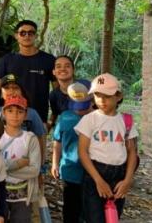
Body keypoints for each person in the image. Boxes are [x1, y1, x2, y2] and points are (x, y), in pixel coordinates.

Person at [75, 73, 138, 222]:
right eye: (97, 95)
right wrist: (98, 180)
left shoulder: (126, 121)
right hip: (95, 175)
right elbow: (82, 152)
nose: (101, 100)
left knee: (113, 217)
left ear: (118, 96)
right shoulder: (89, 119)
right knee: (94, 217)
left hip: (119, 177)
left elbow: (132, 152)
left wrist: (128, 180)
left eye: (107, 96)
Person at [0, 20, 55, 124]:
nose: (27, 36)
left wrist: (50, 121)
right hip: (10, 118)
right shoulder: (7, 60)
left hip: (38, 118)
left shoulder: (48, 60)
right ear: (16, 35)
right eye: (23, 33)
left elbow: (56, 93)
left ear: (36, 36)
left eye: (31, 33)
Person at [51, 81, 94, 223]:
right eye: (77, 106)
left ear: (92, 100)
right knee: (70, 208)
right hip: (70, 170)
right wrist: (55, 164)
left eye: (83, 106)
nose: (79, 111)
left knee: (89, 208)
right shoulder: (64, 117)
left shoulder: (97, 118)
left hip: (93, 172)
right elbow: (57, 141)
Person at [0, 95, 41, 223]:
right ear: (3, 113)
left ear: (25, 114)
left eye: (20, 111)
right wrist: (19, 164)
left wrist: (2, 169)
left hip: (23, 197)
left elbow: (34, 170)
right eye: (10, 111)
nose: (15, 115)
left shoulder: (30, 139)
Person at [0, 74, 46, 165]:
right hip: (0, 164)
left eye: (15, 87)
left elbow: (40, 138)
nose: (11, 91)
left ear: (22, 91)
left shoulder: (32, 114)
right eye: (7, 88)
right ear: (1, 93)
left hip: (26, 164)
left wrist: (40, 164)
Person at [49, 55, 90, 128]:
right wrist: (47, 128)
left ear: (73, 70)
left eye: (67, 66)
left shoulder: (85, 86)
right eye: (58, 66)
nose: (63, 69)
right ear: (54, 72)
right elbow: (55, 115)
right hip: (69, 135)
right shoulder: (54, 95)